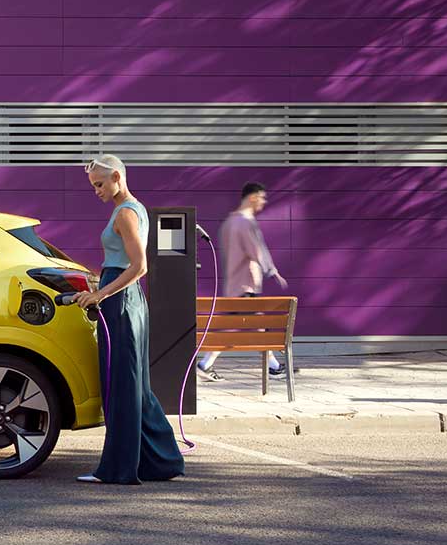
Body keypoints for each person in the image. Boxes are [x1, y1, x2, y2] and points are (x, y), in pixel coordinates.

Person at [71, 155, 185, 485]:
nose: (96, 191)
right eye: (93, 185)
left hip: (121, 302)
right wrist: (99, 285)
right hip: (128, 301)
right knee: (135, 387)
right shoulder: (136, 208)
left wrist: (101, 294)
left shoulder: (125, 213)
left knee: (122, 386)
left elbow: (139, 266)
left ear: (117, 177)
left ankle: (118, 470)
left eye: (100, 184)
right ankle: (163, 462)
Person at [196, 182, 289, 382]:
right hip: (245, 284)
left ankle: (205, 364)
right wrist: (272, 270)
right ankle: (273, 368)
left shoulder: (229, 222)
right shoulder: (245, 222)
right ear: (253, 197)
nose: (264, 202)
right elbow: (256, 250)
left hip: (234, 284)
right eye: (262, 197)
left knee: (244, 326)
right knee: (254, 325)